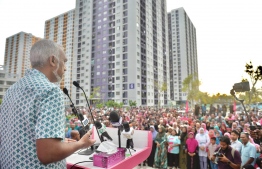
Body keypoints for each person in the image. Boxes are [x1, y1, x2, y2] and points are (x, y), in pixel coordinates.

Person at [0, 39, 96, 168]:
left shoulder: (11, 90)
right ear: (53, 61)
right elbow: (47, 154)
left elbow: (23, 137)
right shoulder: (50, 91)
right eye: (64, 61)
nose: (65, 68)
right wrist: (81, 144)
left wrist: (60, 143)